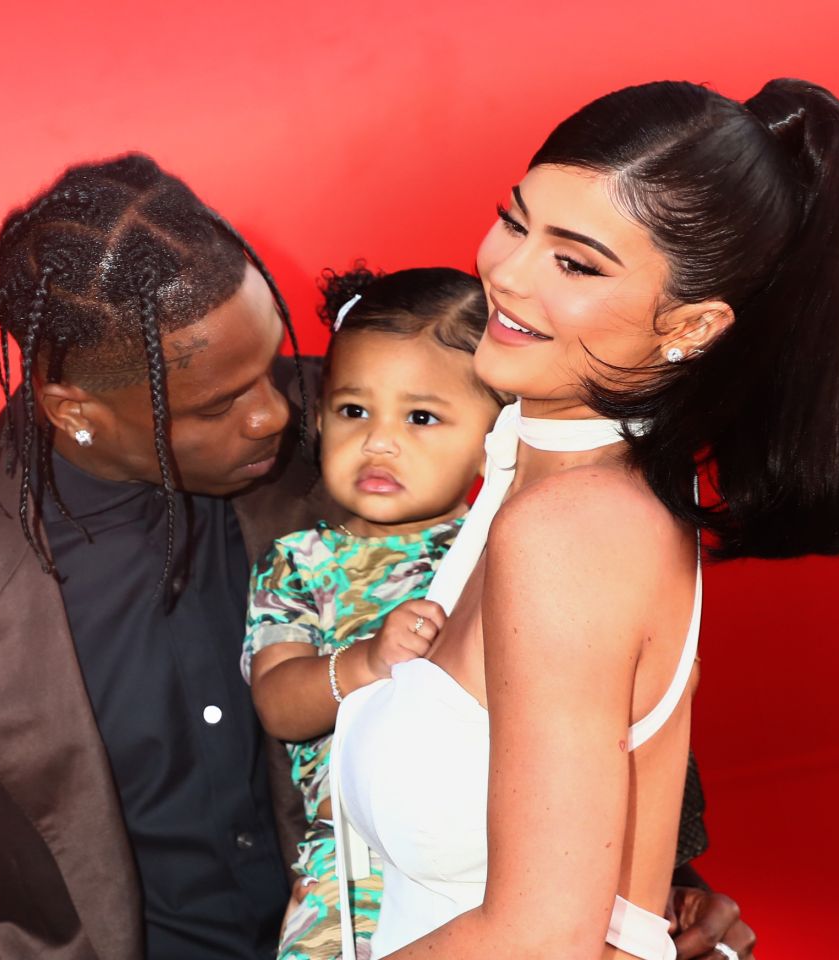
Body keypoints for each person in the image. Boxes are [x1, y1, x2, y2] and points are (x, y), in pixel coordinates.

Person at [0, 153, 752, 959]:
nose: (282, 411)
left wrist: (657, 888)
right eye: (219, 406)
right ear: (77, 413)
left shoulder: (377, 429)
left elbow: (576, 632)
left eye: (272, 360)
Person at [333, 79, 839, 960]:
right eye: (516, 221)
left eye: (576, 263)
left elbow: (542, 938)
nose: (507, 273)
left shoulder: (569, 532)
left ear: (693, 326)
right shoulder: (529, 458)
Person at [243, 265, 505, 960]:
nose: (380, 441)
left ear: (495, 436)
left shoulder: (505, 549)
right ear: (322, 417)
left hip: (496, 869)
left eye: (421, 417)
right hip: (352, 886)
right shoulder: (300, 562)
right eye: (355, 411)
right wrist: (366, 662)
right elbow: (278, 701)